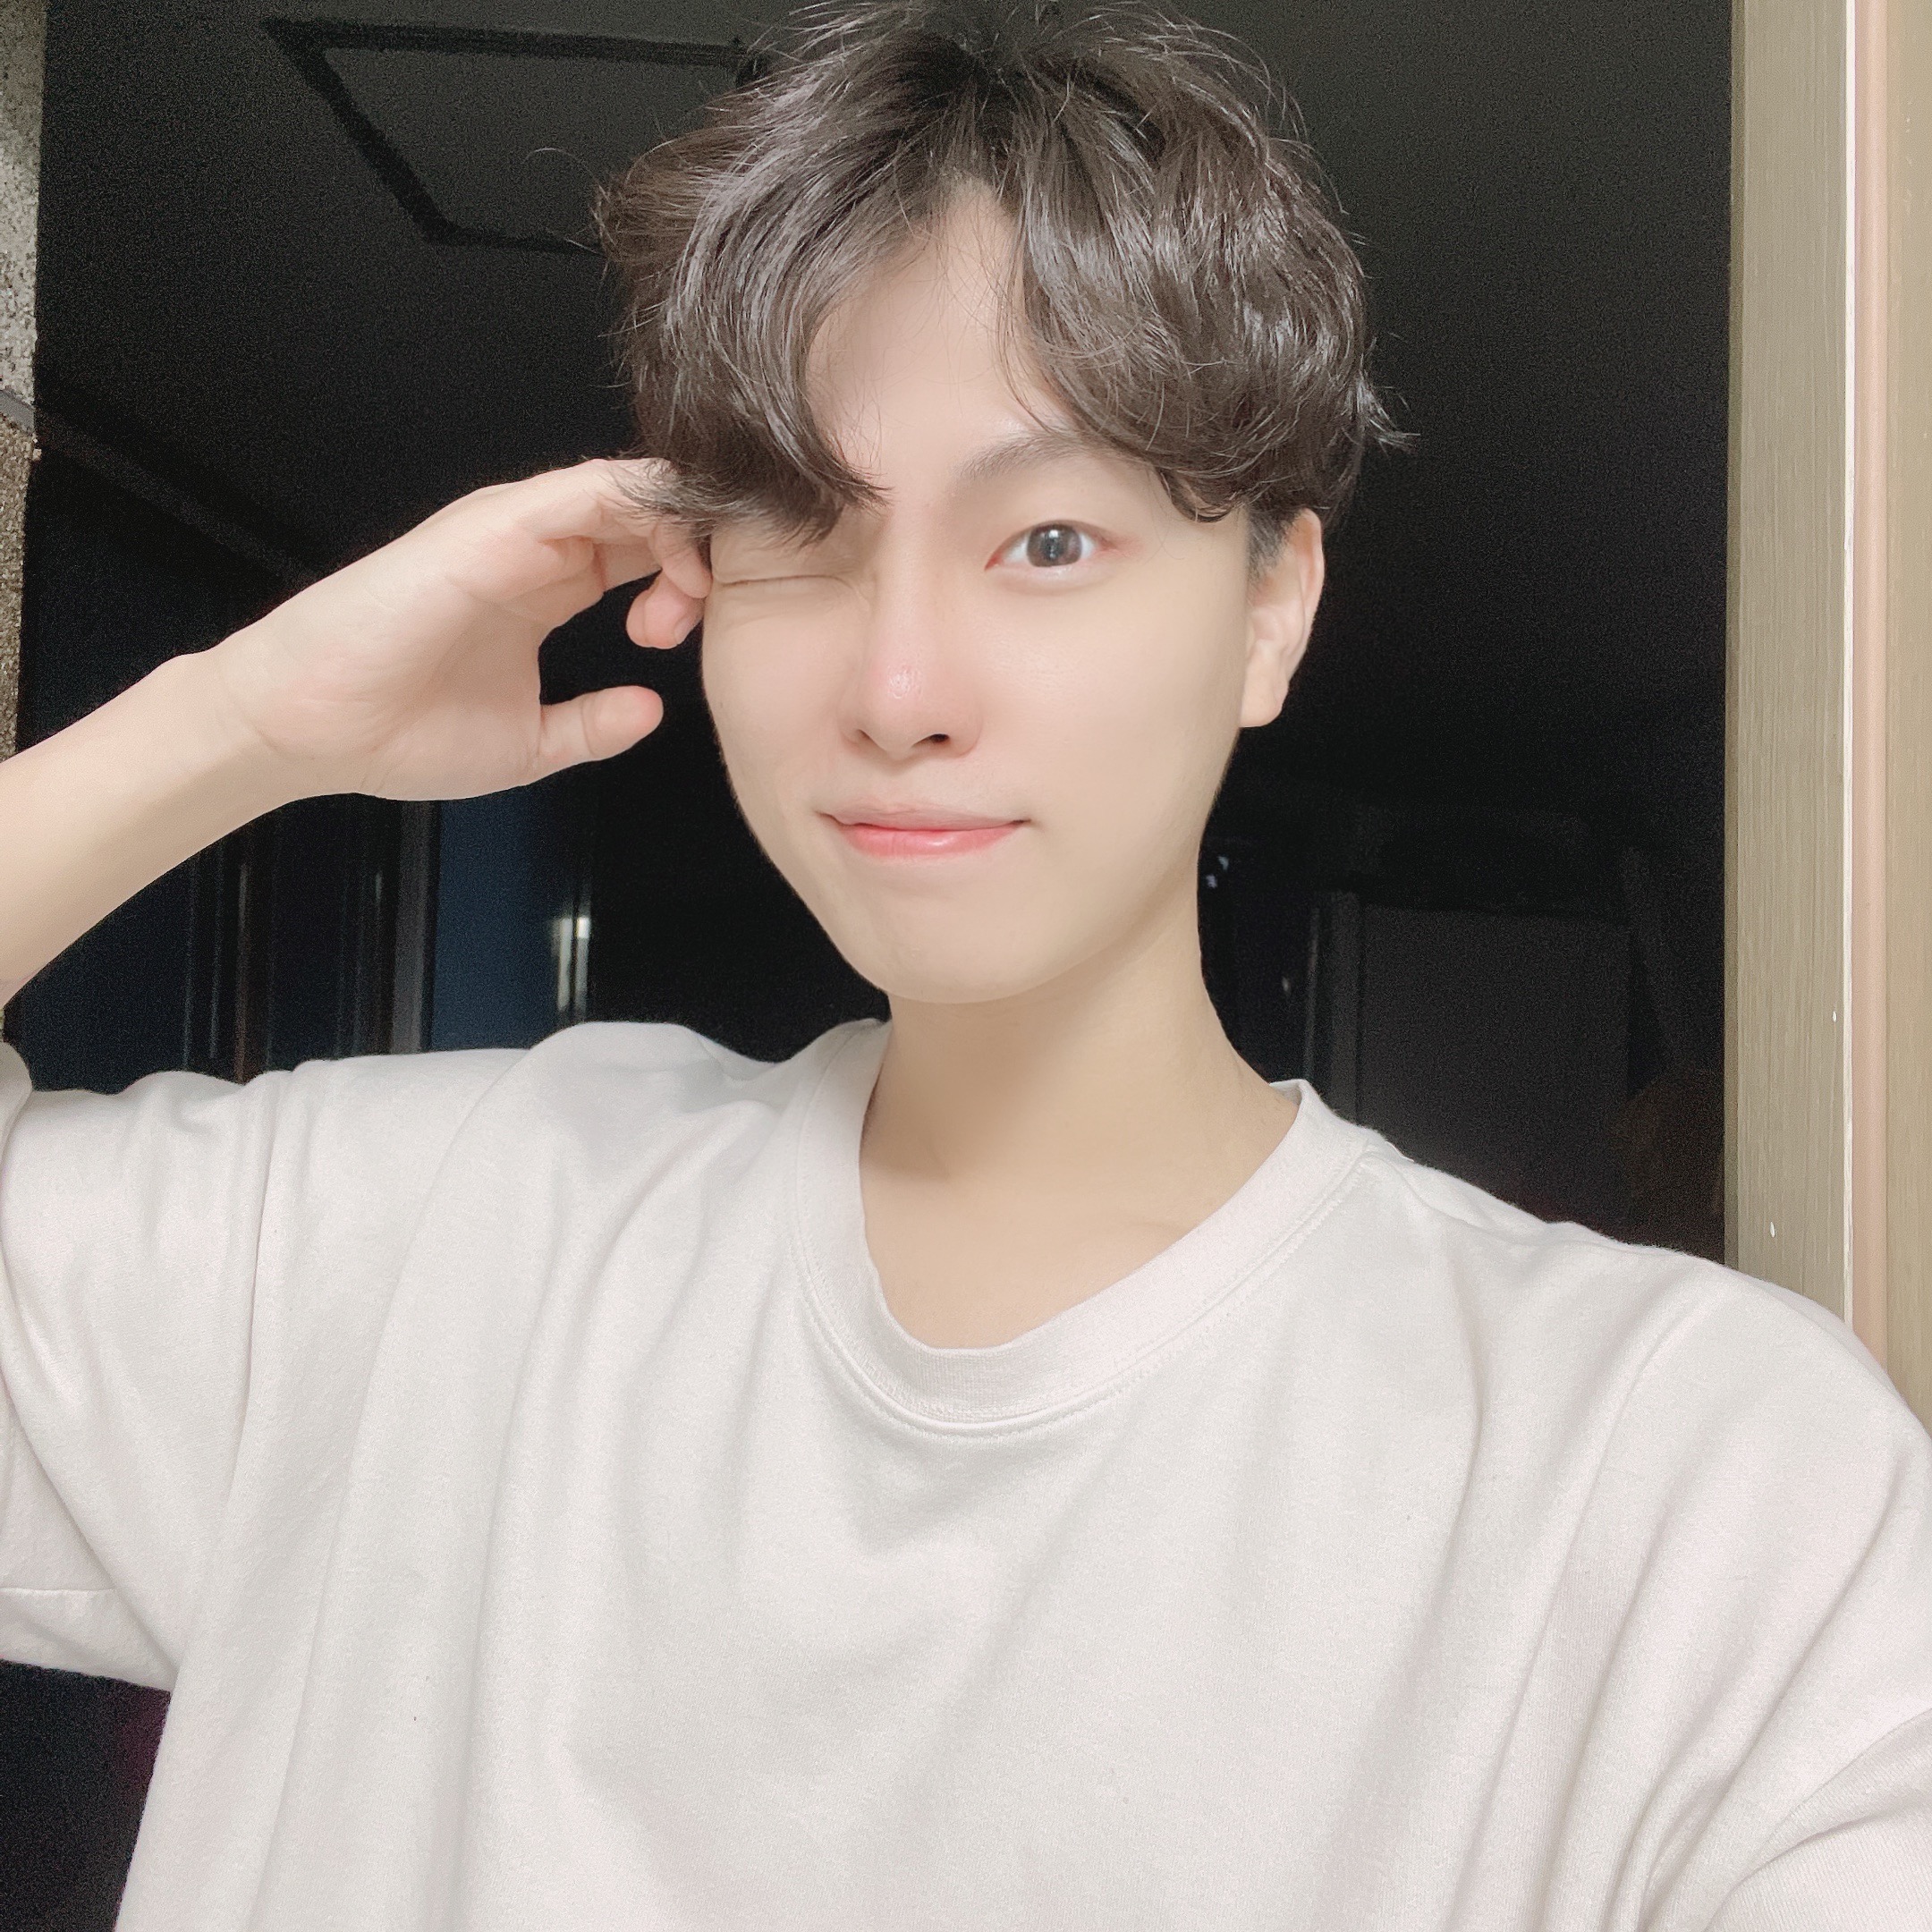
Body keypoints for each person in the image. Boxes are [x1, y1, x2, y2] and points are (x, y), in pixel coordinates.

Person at [1, 1, 1928, 1925]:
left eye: (1051, 542)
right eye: (799, 534)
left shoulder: (1689, 1484)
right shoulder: (408, 1246)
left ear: (1273, 606)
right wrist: (236, 720)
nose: (900, 687)